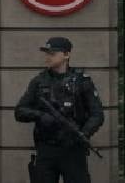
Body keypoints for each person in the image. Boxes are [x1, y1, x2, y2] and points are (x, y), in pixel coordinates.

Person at [14, 36, 103, 183]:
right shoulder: (39, 81)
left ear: (66, 55)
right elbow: (20, 111)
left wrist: (83, 133)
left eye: (52, 53)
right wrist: (40, 116)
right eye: (46, 53)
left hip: (73, 149)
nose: (48, 57)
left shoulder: (81, 81)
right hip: (47, 149)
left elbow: (97, 115)